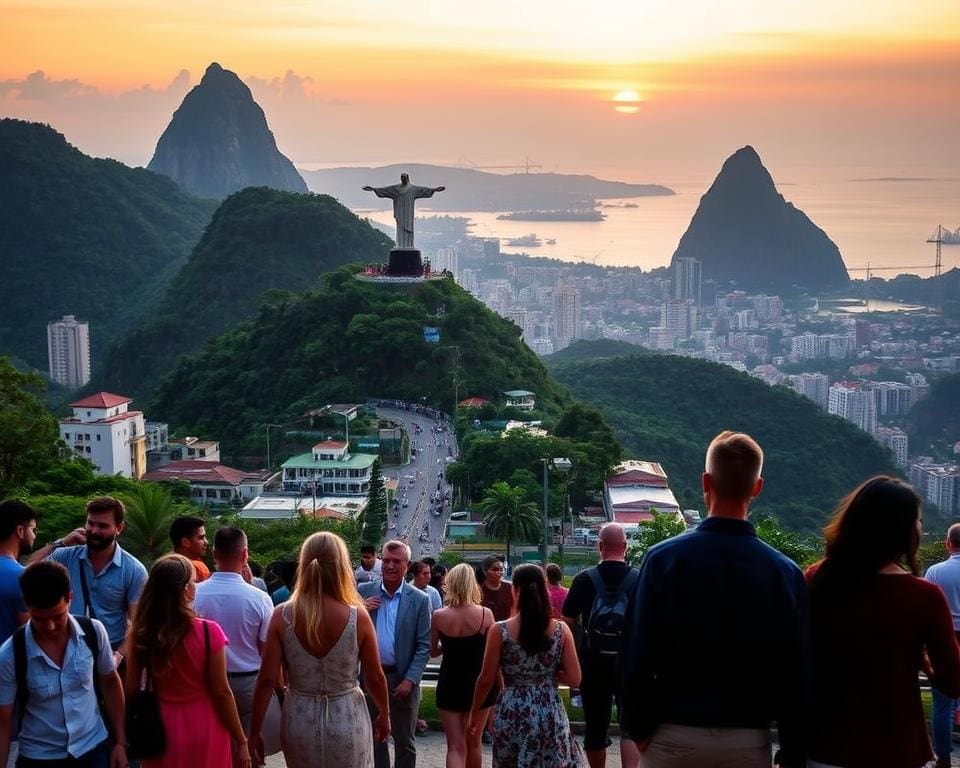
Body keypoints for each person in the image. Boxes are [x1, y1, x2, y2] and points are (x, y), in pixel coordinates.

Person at [619, 431, 809, 768]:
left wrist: (638, 729)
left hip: (670, 736)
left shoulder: (663, 560)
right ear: (757, 487)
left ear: (705, 481)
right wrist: (792, 750)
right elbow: (796, 673)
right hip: (747, 740)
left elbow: (636, 653)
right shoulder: (784, 572)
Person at [806, 476, 960, 768]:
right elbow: (953, 682)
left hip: (827, 746)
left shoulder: (817, 579)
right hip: (897, 748)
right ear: (904, 530)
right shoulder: (924, 597)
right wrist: (924, 660)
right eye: (918, 520)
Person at [249, 532, 389, 768]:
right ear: (341, 566)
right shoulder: (358, 616)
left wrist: (254, 732)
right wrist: (384, 713)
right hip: (347, 717)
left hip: (299, 719)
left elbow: (266, 680)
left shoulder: (282, 616)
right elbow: (375, 677)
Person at [126, 554, 249, 768]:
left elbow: (131, 688)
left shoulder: (142, 634)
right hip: (205, 724)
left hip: (159, 728)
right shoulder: (209, 632)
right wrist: (241, 739)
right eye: (193, 582)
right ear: (185, 589)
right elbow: (221, 692)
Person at [0, 561, 127, 768]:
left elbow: (110, 682)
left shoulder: (94, 632)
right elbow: (3, 721)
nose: (50, 627)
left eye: (57, 616)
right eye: (39, 619)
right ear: (26, 604)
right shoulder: (10, 654)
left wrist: (120, 743)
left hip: (93, 748)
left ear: (70, 597)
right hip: (40, 757)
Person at [469, 564, 585, 768]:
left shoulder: (499, 631)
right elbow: (575, 679)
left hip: (512, 710)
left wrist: (474, 712)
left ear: (514, 590)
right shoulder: (560, 629)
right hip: (549, 709)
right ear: (544, 589)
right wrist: (548, 675)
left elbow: (486, 679)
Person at [194, 527, 280, 766]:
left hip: (206, 683)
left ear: (214, 554)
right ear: (245, 554)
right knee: (251, 751)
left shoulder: (194, 595)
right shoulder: (259, 598)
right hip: (249, 683)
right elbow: (266, 650)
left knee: (215, 751)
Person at [561, 524, 639, 768]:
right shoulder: (639, 578)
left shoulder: (584, 579)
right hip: (630, 663)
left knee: (595, 726)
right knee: (630, 727)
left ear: (600, 546)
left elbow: (568, 620)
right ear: (625, 547)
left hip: (592, 663)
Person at [35, 497, 147, 658]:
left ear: (119, 528)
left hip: (109, 653)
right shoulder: (65, 557)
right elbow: (25, 574)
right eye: (90, 523)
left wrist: (119, 655)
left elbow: (138, 623)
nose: (94, 531)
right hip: (67, 653)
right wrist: (61, 543)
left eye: (103, 526)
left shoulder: (134, 570)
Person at [357, 541, 431, 768]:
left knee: (405, 742)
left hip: (402, 681)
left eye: (396, 561)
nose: (389, 566)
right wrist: (361, 610)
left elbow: (424, 645)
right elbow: (348, 634)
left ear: (407, 565)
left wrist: (410, 679)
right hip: (371, 679)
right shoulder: (362, 592)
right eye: (386, 560)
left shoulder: (419, 599)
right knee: (375, 741)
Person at [431, 563, 496, 768]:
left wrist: (450, 646)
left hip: (449, 683)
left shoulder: (439, 616)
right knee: (474, 743)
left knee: (455, 746)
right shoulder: (486, 614)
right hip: (478, 685)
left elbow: (433, 651)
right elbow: (493, 652)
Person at [926, 522, 960, 768]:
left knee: (942, 704)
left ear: (948, 543)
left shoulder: (935, 572)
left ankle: (944, 758)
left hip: (944, 639)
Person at [362, 174, 446, 249]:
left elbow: (423, 190)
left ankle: (409, 245)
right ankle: (400, 245)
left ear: (407, 179)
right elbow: (386, 190)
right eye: (402, 178)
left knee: (409, 229)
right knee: (400, 228)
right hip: (400, 212)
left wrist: (433, 190)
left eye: (405, 178)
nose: (403, 179)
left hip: (408, 213)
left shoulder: (413, 189)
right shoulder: (396, 189)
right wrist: (374, 189)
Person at [0, 500, 37, 644]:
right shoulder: (22, 578)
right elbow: (33, 635)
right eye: (33, 529)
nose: (34, 536)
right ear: (20, 531)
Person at [168, 516, 210, 583]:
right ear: (185, 542)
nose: (206, 542)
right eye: (201, 538)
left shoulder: (164, 564)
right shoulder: (197, 567)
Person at [479, 556, 512, 622]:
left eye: (501, 569)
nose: (498, 572)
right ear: (485, 571)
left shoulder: (510, 587)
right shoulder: (478, 589)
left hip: (506, 626)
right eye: (495, 569)